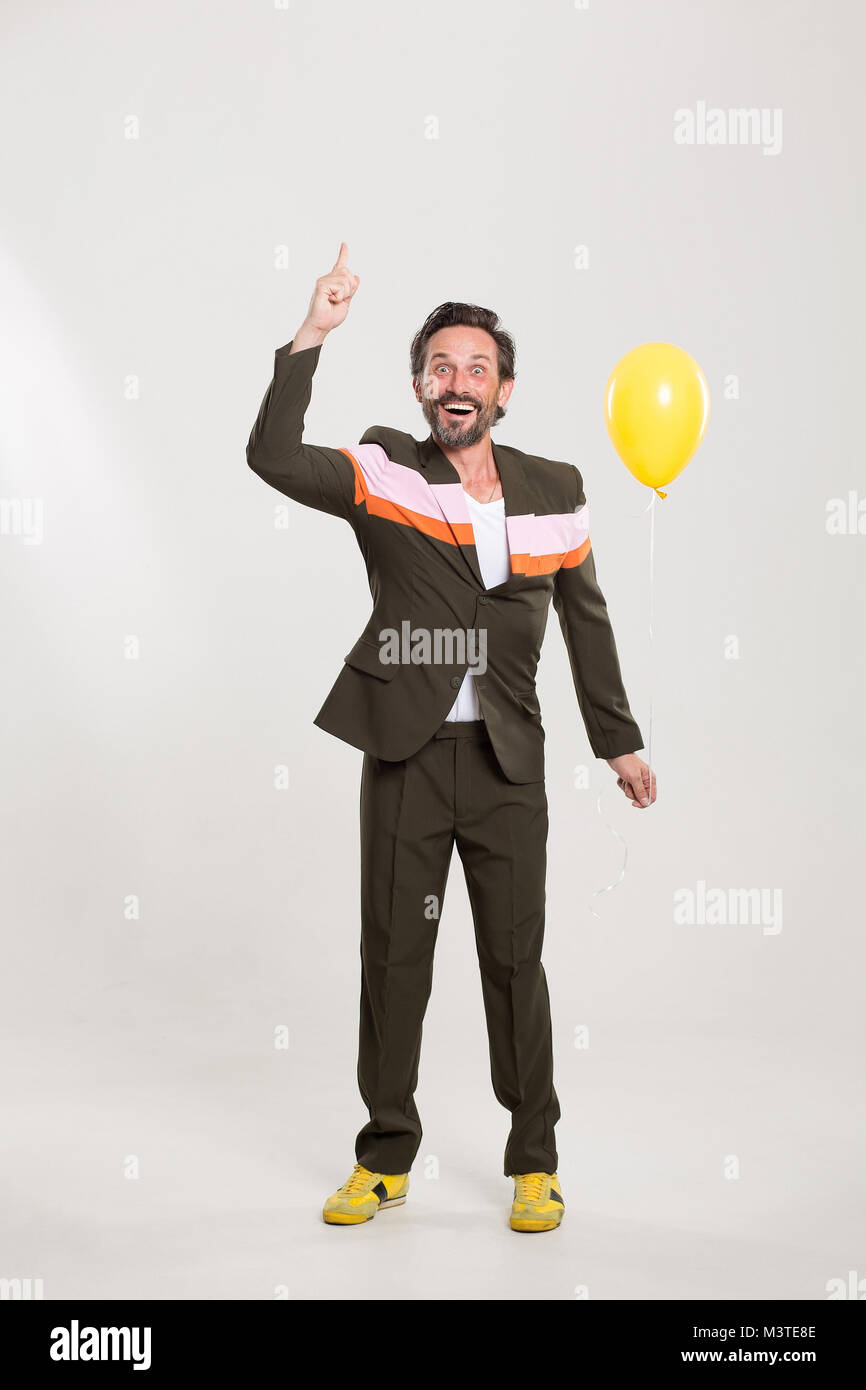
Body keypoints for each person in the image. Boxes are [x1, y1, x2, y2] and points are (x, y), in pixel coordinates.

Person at [246, 242, 657, 1234]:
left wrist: (617, 738)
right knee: (394, 958)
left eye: (475, 367)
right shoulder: (384, 468)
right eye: (439, 367)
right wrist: (312, 334)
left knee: (516, 963)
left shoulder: (554, 485)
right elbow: (270, 457)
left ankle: (534, 1160)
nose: (456, 381)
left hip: (509, 766)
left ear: (503, 388)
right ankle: (384, 1155)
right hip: (406, 759)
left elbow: (585, 618)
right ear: (419, 387)